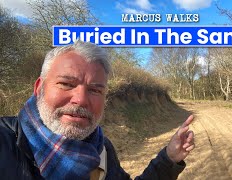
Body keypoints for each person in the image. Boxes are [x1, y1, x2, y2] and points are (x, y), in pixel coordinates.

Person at [0, 41, 195, 180]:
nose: (81, 99)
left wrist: (169, 158)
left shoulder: (101, 148)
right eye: (66, 84)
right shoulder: (6, 143)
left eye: (95, 90)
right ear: (39, 88)